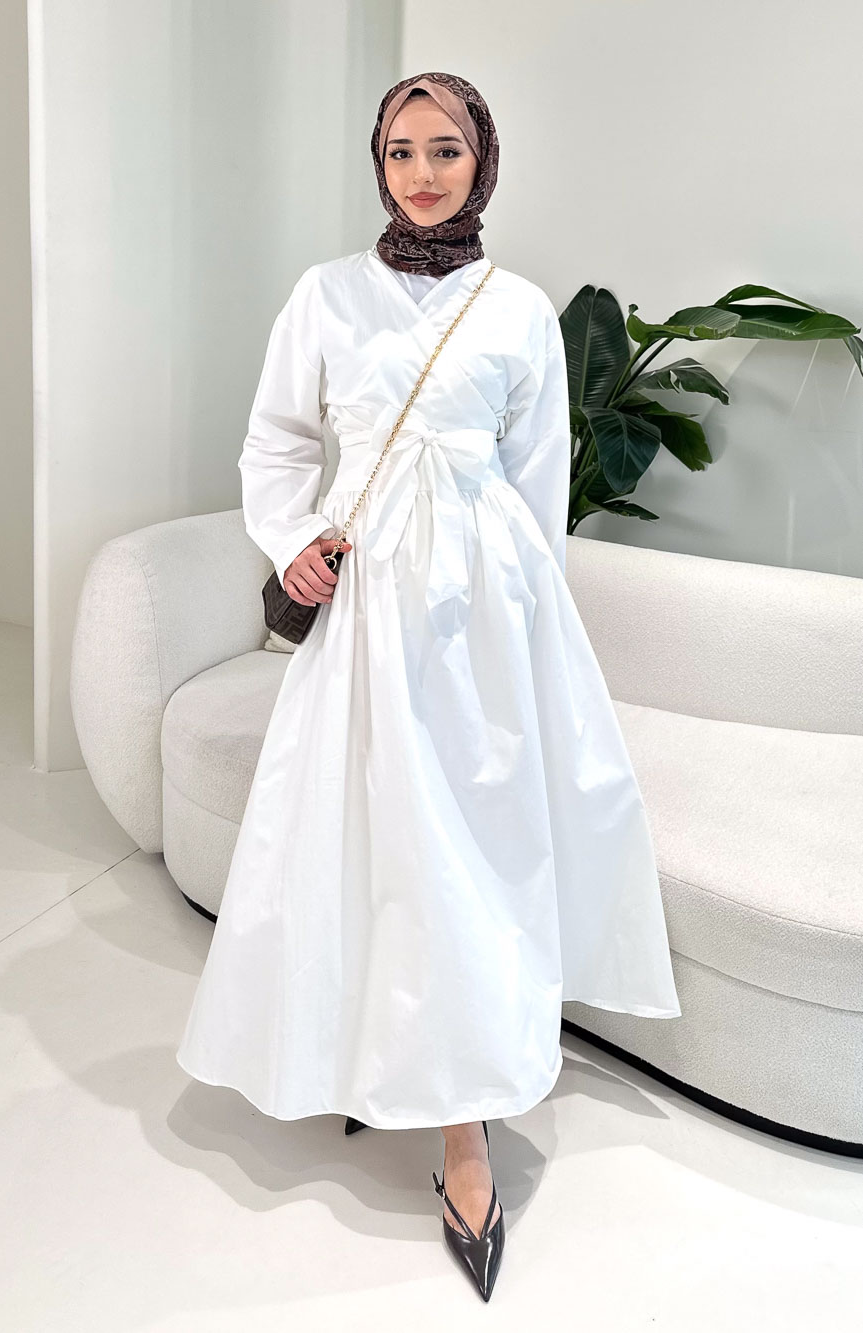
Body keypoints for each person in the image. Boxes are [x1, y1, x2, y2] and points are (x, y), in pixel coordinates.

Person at [176, 70, 682, 1302]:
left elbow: (535, 483)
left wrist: (526, 625)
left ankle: (464, 1124)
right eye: (399, 150)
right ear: (378, 162)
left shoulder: (518, 308)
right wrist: (290, 538)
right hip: (364, 606)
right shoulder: (324, 294)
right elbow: (275, 444)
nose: (420, 172)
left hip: (484, 614)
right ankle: (369, 1055)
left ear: (481, 160)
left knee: (474, 845)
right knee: (360, 832)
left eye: (444, 148)